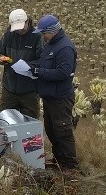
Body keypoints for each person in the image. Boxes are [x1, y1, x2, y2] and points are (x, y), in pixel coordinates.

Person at [31, 13, 78, 172]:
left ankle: (70, 167)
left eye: (44, 33)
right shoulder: (50, 44)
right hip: (50, 97)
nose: (43, 36)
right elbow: (46, 66)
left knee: (63, 131)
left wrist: (39, 71)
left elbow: (63, 73)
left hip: (60, 98)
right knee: (52, 130)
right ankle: (59, 160)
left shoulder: (65, 47)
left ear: (53, 31)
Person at [0, 8, 41, 120]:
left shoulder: (37, 37)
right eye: (17, 28)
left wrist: (28, 66)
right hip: (9, 89)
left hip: (30, 91)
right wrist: (6, 60)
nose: (20, 31)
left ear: (27, 22)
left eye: (22, 27)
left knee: (30, 125)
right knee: (4, 122)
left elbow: (43, 60)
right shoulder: (7, 36)